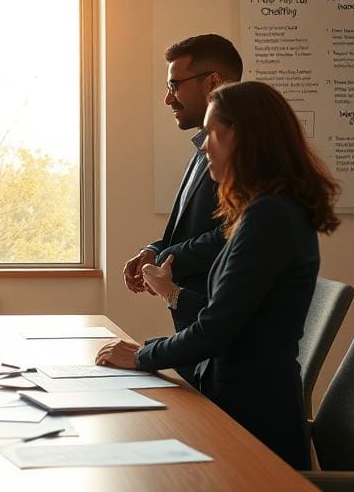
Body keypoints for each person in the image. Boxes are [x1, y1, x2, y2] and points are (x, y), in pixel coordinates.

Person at [97, 81, 339, 470]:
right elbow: (236, 316)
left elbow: (217, 331)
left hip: (253, 425)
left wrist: (143, 355)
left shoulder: (269, 216)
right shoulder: (264, 211)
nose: (205, 144)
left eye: (213, 133)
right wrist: (171, 291)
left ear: (244, 138)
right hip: (237, 404)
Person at [122, 34, 243, 344]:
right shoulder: (203, 146)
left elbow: (232, 234)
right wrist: (154, 250)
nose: (168, 98)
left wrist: (165, 261)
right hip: (197, 332)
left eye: (175, 85)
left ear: (213, 82)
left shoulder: (240, 151)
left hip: (220, 338)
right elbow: (197, 227)